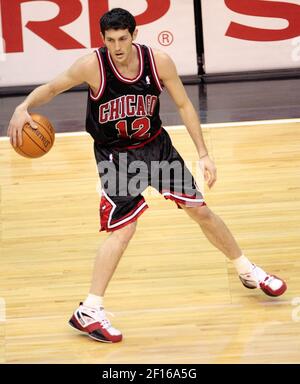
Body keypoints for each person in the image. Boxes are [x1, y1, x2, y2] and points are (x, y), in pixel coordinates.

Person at [7, 8, 287, 344]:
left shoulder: (159, 62)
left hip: (156, 147)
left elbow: (184, 105)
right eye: (110, 40)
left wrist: (203, 153)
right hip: (116, 156)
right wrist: (23, 107)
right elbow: (52, 88)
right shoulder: (92, 65)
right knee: (124, 230)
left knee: (200, 210)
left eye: (122, 39)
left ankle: (247, 270)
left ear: (134, 35)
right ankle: (89, 309)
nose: (117, 47)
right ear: (103, 40)